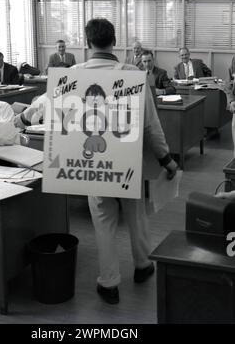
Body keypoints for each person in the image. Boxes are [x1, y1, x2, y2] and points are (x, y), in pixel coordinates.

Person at [15, 19, 178, 305]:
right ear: (114, 41)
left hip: (92, 166)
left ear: (88, 44)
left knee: (103, 222)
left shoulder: (72, 74)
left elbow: (41, 105)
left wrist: (22, 118)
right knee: (136, 216)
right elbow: (153, 126)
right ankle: (142, 266)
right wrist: (166, 160)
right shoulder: (133, 74)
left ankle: (109, 283)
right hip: (127, 165)